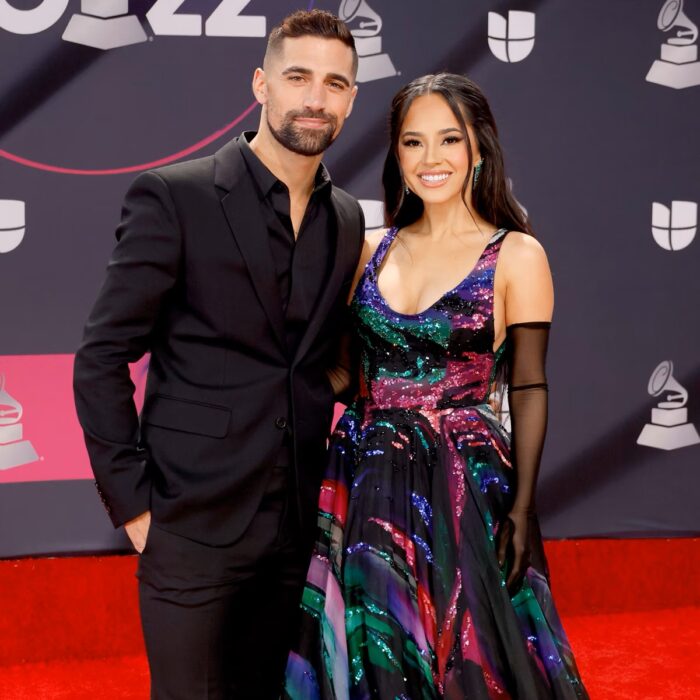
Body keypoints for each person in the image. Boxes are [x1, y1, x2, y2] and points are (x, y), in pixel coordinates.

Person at [72, 10, 364, 699]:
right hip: (191, 527)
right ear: (262, 84)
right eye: (298, 77)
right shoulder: (176, 196)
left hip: (296, 530)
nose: (315, 99)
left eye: (335, 83)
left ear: (352, 99)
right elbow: (101, 356)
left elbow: (320, 361)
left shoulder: (348, 218)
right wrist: (138, 510)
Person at [284, 73, 589, 699]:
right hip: (368, 475)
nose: (431, 159)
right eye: (413, 142)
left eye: (449, 140)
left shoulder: (517, 255)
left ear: (478, 148)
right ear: (395, 154)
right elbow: (345, 375)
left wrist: (524, 507)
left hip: (466, 482)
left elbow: (530, 385)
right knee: (377, 635)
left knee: (471, 642)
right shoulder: (368, 250)